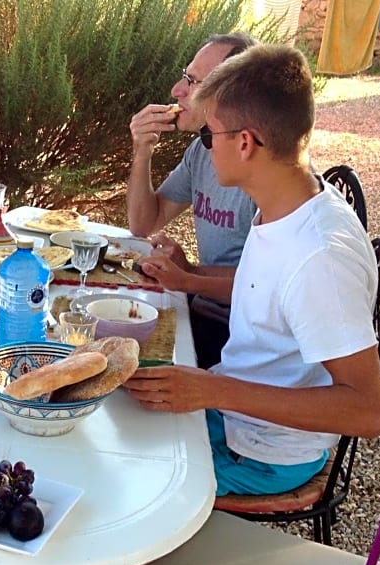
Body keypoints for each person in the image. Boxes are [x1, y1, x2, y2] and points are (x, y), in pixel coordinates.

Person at [18, 43, 380, 565]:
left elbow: (367, 411)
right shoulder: (285, 212)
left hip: (267, 453)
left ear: (245, 143)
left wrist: (211, 391)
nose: (204, 147)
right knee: (88, 402)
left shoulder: (318, 256)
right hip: (234, 406)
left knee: (93, 463)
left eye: (211, 133)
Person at [127, 32, 258, 369]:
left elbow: (271, 287)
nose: (177, 91)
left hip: (241, 334)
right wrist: (142, 151)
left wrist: (189, 273)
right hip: (201, 306)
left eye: (194, 81)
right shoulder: (203, 150)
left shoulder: (264, 170)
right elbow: (144, 223)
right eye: (185, 77)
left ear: (232, 98)